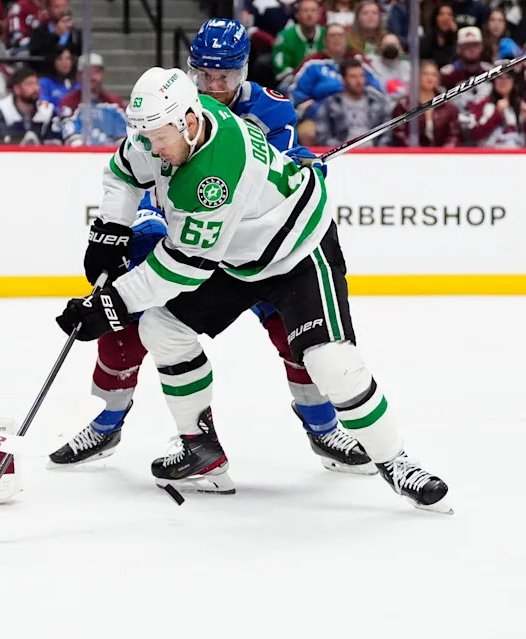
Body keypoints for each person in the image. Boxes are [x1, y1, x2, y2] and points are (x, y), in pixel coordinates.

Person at [55, 66, 452, 514]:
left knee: (331, 363)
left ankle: (396, 461)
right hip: (236, 255)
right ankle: (200, 449)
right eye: (144, 135)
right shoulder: (168, 127)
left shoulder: (216, 172)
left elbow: (181, 268)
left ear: (188, 121)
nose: (150, 146)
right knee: (163, 329)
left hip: (297, 252)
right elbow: (123, 172)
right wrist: (110, 228)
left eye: (157, 137)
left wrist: (109, 305)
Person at [49, 18, 370, 479]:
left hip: (246, 246)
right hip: (180, 233)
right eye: (205, 75)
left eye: (226, 76)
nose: (215, 86)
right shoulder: (169, 99)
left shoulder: (271, 110)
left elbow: (278, 183)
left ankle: (322, 427)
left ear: (243, 71)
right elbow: (134, 167)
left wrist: (304, 172)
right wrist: (121, 226)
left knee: (292, 330)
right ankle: (109, 422)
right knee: (124, 319)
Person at [315, 57, 390, 146]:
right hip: (342, 154)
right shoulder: (329, 105)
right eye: (353, 77)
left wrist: (380, 153)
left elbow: (387, 134)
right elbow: (323, 137)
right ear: (343, 80)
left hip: (373, 153)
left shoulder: (377, 102)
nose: (358, 81)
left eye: (361, 76)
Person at [390, 60, 461, 146]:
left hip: (443, 156)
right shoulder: (403, 106)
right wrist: (419, 154)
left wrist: (443, 154)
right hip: (411, 156)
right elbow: (400, 135)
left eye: (433, 74)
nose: (429, 77)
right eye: (425, 74)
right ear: (418, 77)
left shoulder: (449, 107)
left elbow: (453, 135)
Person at [0, 65, 59, 144]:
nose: (36, 88)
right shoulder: (1, 109)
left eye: (36, 83)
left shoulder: (47, 110)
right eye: (29, 84)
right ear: (17, 89)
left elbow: (55, 141)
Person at [272, 0, 323, 86]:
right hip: (293, 82)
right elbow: (280, 66)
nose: (309, 14)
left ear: (319, 15)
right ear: (297, 14)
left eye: (313, 10)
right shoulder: (285, 36)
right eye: (305, 10)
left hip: (322, 80)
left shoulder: (326, 35)